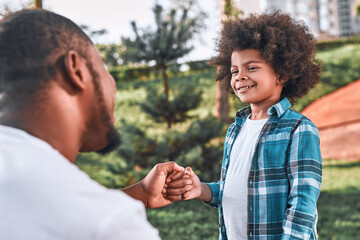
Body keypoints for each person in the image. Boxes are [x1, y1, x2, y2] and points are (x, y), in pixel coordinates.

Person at [0, 9, 188, 239]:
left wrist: (142, 195)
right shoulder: (111, 224)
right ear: (76, 70)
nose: (113, 83)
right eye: (104, 68)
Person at [166, 11, 323, 239]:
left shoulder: (298, 128)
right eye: (234, 71)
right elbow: (232, 189)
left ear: (282, 74)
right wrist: (201, 189)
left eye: (251, 68)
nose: (239, 77)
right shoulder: (235, 130)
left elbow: (303, 202)